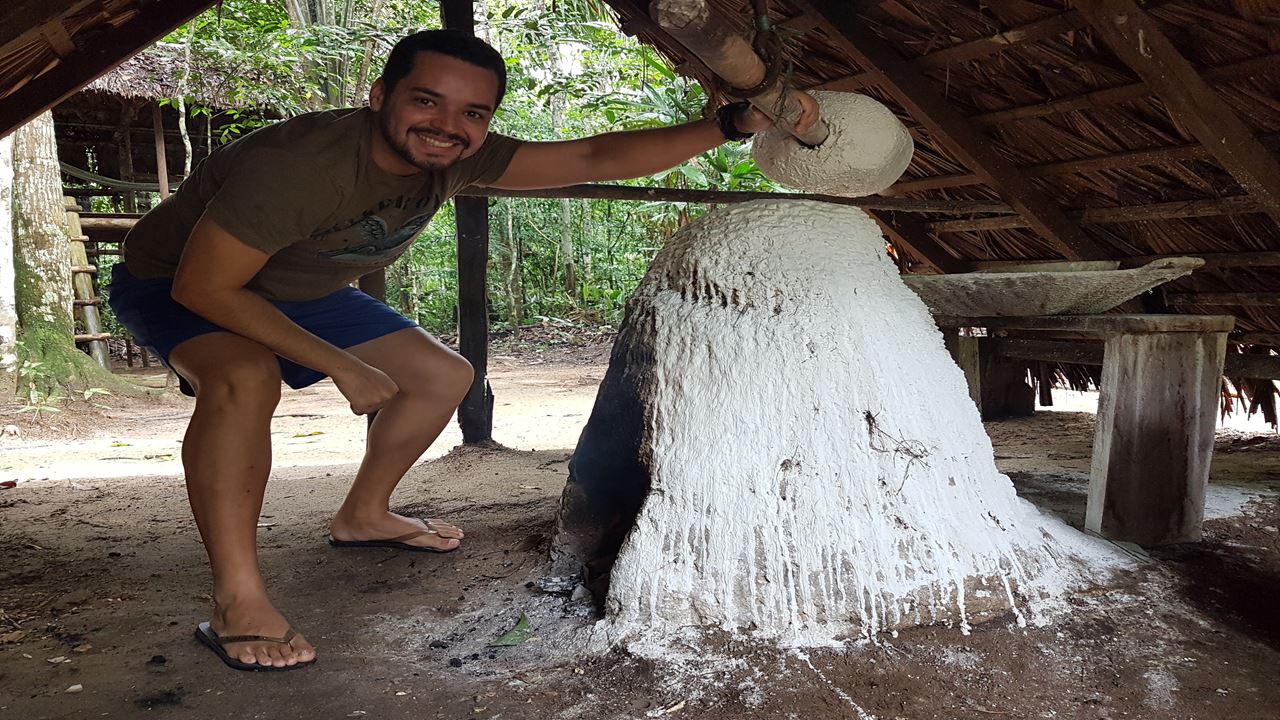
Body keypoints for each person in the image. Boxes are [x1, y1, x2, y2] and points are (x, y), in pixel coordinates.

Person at [108, 28, 818, 672]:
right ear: (380, 96)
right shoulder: (301, 166)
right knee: (245, 379)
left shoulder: (455, 157)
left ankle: (364, 515)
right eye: (426, 101)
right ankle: (236, 597)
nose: (448, 125)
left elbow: (595, 155)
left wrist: (729, 125)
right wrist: (340, 363)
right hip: (179, 283)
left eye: (473, 112)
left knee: (442, 375)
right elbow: (205, 287)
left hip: (300, 290)